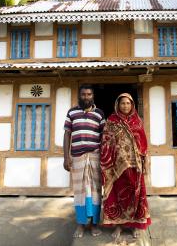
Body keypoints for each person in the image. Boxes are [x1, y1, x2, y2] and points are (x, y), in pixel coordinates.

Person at [100, 93, 151, 240]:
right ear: (117, 104)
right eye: (123, 103)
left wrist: (145, 162)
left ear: (132, 105)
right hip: (117, 167)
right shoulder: (111, 121)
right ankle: (118, 225)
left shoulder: (137, 121)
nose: (125, 106)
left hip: (135, 166)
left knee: (135, 195)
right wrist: (107, 163)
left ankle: (135, 225)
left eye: (128, 103)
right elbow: (105, 142)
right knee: (118, 196)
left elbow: (143, 144)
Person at [63, 84, 105, 238]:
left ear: (93, 96)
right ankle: (81, 225)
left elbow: (103, 138)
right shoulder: (72, 112)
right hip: (77, 157)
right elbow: (67, 134)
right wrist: (66, 157)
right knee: (80, 192)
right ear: (79, 96)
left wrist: (105, 160)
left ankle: (94, 225)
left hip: (95, 157)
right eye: (83, 94)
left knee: (95, 192)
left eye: (89, 94)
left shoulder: (99, 114)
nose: (86, 97)